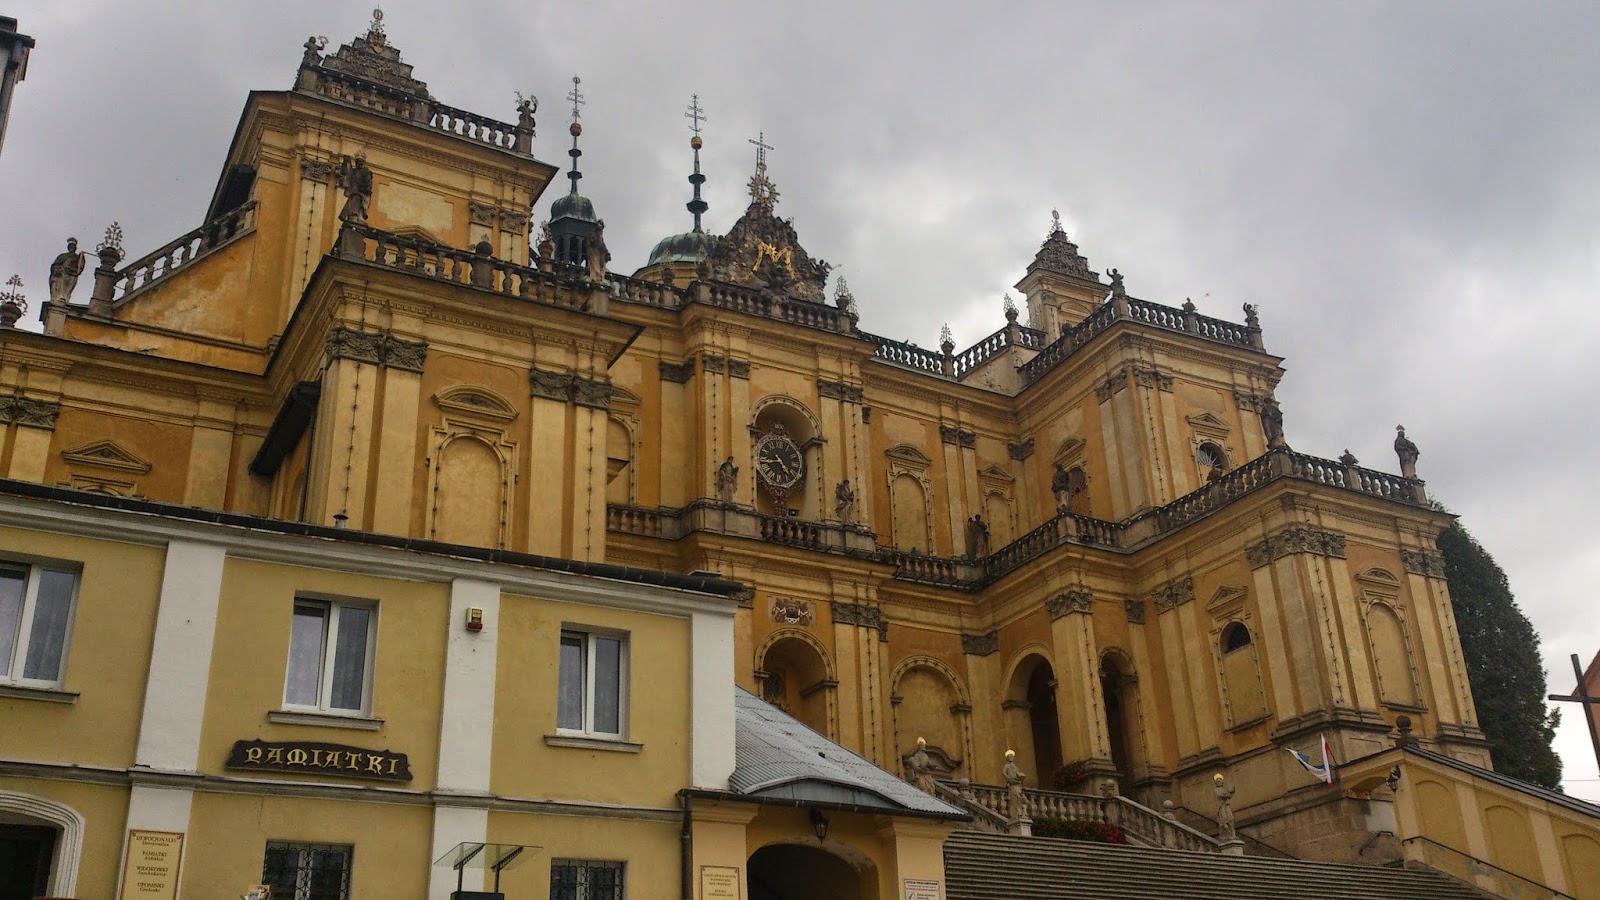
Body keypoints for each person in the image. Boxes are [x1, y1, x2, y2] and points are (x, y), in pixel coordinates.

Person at [335, 153, 373, 226]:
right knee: (354, 200)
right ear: (356, 162)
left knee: (358, 200)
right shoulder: (353, 171)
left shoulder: (365, 171)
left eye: (361, 162)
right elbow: (346, 172)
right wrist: (346, 161)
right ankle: (353, 215)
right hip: (354, 191)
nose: (359, 163)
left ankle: (359, 215)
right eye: (358, 162)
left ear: (362, 163)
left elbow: (368, 182)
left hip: (362, 192)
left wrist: (366, 188)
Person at [48, 238, 86, 304]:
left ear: (75, 248)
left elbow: (80, 269)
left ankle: (64, 299)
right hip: (61, 275)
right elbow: (54, 266)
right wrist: (58, 269)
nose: (72, 248)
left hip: (71, 276)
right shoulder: (62, 256)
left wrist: (81, 258)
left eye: (73, 246)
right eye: (70, 246)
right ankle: (57, 299)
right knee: (58, 288)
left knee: (66, 291)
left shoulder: (77, 257)